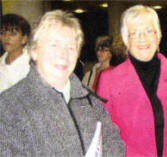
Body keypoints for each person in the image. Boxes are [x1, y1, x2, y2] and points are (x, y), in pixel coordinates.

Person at [0, 10, 125, 156]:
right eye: (54, 45)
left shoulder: (89, 100)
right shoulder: (9, 106)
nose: (64, 54)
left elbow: (114, 144)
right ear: (33, 51)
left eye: (71, 47)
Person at [96, 5, 167, 157]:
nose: (142, 38)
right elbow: (105, 134)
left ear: (159, 35)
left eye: (149, 31)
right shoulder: (109, 80)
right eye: (134, 33)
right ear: (126, 39)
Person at [0, 14, 31, 93]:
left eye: (13, 33)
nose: (7, 37)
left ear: (24, 38)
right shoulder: (1, 61)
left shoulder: (30, 66)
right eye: (3, 32)